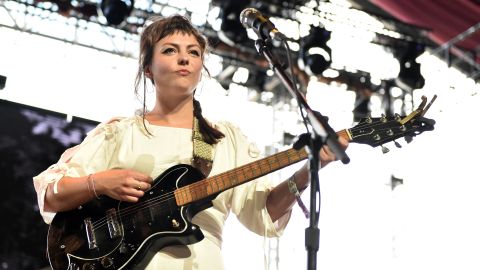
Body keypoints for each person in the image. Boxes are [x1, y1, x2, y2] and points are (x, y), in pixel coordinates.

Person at [33, 14, 349, 269]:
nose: (184, 59)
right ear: (149, 69)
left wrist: (309, 170)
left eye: (193, 53)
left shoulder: (228, 140)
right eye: (170, 50)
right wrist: (99, 182)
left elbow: (262, 215)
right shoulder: (120, 132)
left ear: (201, 69)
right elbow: (51, 195)